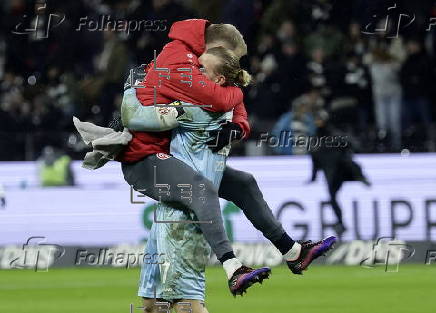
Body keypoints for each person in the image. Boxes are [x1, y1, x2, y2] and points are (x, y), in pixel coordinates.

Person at [117, 19, 336, 296]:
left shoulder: (196, 61)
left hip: (176, 155)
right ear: (217, 48)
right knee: (200, 190)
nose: (234, 67)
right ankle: (232, 266)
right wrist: (239, 89)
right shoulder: (177, 58)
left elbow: (229, 102)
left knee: (244, 183)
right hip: (145, 157)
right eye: (232, 60)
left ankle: (292, 251)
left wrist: (237, 127)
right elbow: (220, 99)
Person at [137, 47, 263, 312]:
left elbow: (136, 116)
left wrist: (137, 85)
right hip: (169, 208)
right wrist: (240, 126)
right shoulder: (224, 106)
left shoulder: (193, 107)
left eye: (201, 69)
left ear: (218, 82)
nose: (194, 72)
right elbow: (238, 108)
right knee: (151, 305)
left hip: (184, 216)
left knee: (186, 306)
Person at [307, 111, 371, 236]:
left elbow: (349, 147)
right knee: (332, 197)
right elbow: (314, 159)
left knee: (348, 164)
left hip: (342, 170)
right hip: (331, 174)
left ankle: (360, 177)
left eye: (320, 119)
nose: (318, 122)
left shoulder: (334, 134)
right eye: (316, 120)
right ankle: (341, 223)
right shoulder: (315, 140)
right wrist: (313, 177)